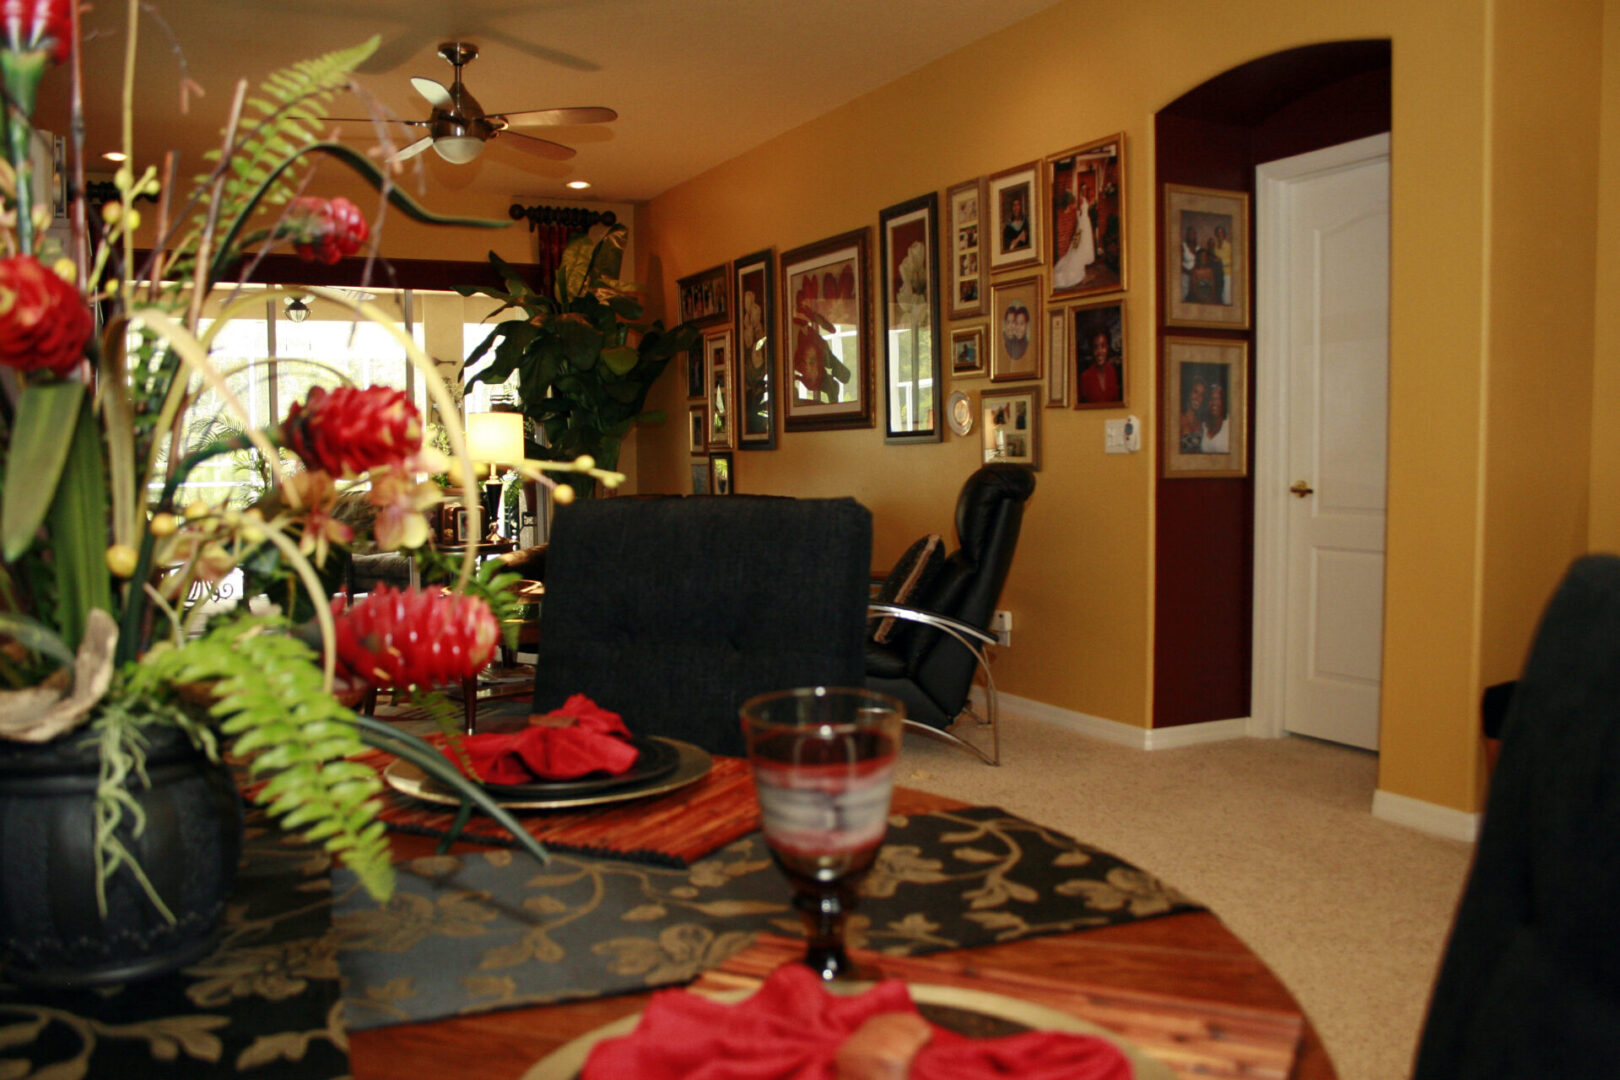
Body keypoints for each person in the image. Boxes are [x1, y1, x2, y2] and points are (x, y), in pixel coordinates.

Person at [1052, 174, 1096, 290]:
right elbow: (1080, 212)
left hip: (1084, 224)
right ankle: (1075, 271)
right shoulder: (1080, 201)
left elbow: (1085, 208)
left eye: (1085, 188)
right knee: (1077, 247)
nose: (1084, 190)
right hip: (1082, 225)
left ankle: (1082, 269)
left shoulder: (1083, 200)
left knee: (1081, 246)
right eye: (1083, 188)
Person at [1078, 328, 1122, 404]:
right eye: (1096, 347)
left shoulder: (1112, 371)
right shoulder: (1085, 377)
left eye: (1103, 346)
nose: (1099, 352)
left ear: (1108, 347)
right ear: (1092, 350)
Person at [1200, 380, 1229, 453]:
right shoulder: (1203, 425)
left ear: (1224, 401)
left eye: (1218, 399)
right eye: (1211, 399)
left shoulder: (1230, 425)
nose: (1214, 403)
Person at [1179, 376, 1206, 454]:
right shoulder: (1178, 418)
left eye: (1202, 395)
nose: (1198, 398)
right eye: (1195, 392)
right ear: (1189, 392)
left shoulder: (1201, 424)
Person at [1213, 225, 1233, 305]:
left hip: (1227, 274)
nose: (1219, 234)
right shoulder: (1215, 247)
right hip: (1218, 274)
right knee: (1220, 296)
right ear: (1216, 234)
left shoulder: (1229, 246)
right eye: (1218, 232)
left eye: (1221, 232)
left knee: (1227, 297)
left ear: (1224, 234)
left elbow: (1232, 260)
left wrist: (1221, 261)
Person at [1181, 225, 1198, 302]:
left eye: (1194, 234)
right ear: (1187, 235)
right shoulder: (1183, 246)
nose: (1192, 235)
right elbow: (1178, 264)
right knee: (1183, 296)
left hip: (1195, 276)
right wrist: (1188, 272)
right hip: (1185, 274)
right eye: (1190, 233)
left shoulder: (1197, 247)